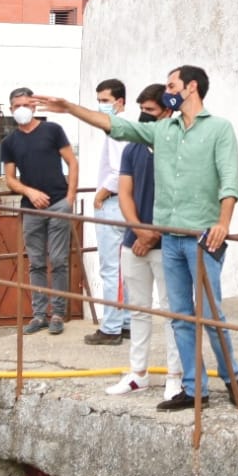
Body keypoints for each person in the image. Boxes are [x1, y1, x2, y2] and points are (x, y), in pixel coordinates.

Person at [35, 65, 238, 411]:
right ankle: (195, 389)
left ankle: (231, 377)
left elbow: (229, 180)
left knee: (210, 314)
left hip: (203, 237)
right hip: (172, 238)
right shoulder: (163, 130)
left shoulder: (220, 129)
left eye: (172, 85)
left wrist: (223, 223)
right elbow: (116, 125)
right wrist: (70, 108)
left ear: (191, 87)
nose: (167, 90)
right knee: (179, 316)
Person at [106, 85, 184, 398]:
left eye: (150, 111)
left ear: (168, 112)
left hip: (169, 243)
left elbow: (184, 197)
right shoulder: (132, 149)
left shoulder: (179, 147)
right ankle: (138, 372)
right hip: (134, 242)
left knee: (172, 312)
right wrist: (139, 231)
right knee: (138, 309)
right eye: (142, 109)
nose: (143, 116)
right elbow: (124, 193)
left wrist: (154, 235)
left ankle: (175, 377)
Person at [2, 86, 79, 335]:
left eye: (25, 104)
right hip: (31, 209)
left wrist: (70, 197)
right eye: (16, 106)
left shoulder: (52, 130)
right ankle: (38, 315)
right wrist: (30, 193)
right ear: (10, 109)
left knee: (58, 261)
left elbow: (72, 162)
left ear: (34, 105)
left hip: (59, 204)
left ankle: (57, 313)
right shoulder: (9, 141)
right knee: (35, 262)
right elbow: (10, 179)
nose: (21, 109)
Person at [84, 78, 131, 345]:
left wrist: (100, 194)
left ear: (119, 102)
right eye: (99, 100)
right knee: (125, 268)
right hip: (124, 204)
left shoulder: (116, 130)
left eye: (105, 100)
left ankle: (111, 326)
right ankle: (124, 322)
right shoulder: (131, 127)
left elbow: (117, 171)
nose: (101, 106)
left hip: (112, 203)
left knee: (110, 268)